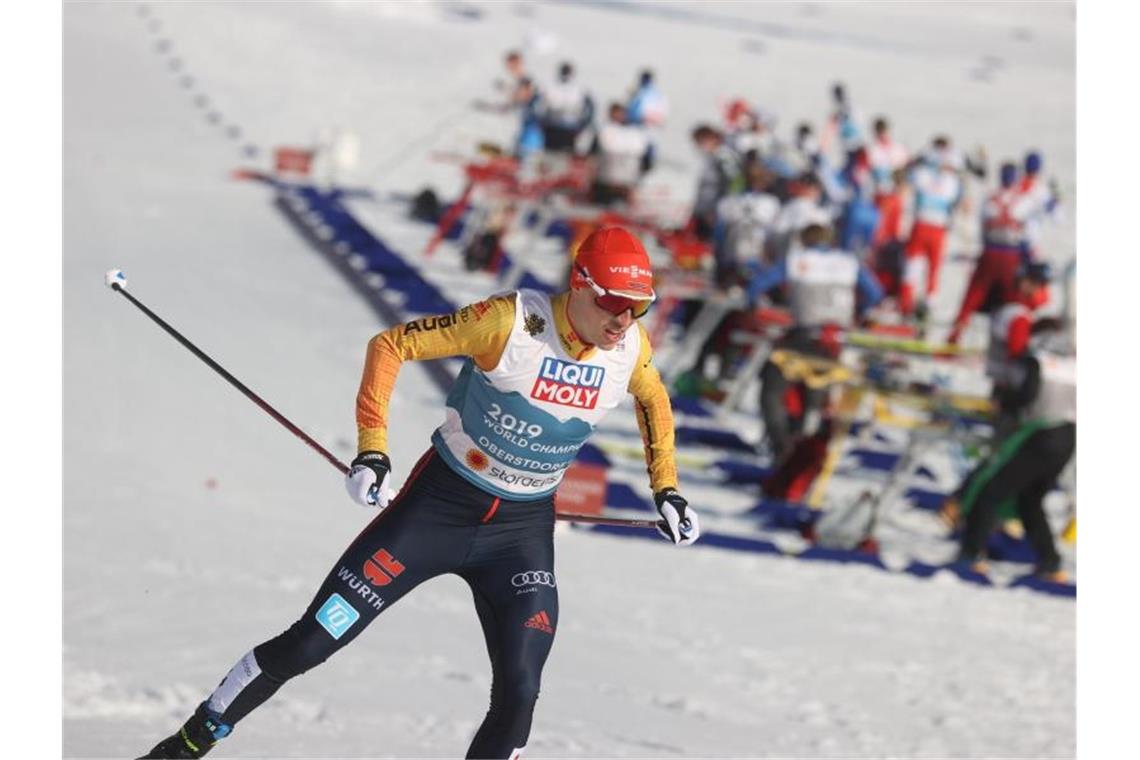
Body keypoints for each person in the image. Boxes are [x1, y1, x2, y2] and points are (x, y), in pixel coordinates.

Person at [139, 227, 701, 759]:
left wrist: (667, 490)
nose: (624, 319)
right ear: (579, 284)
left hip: (520, 536)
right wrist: (373, 450)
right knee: (313, 640)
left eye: (639, 306)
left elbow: (653, 399)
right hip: (438, 510)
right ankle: (190, 742)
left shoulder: (629, 349)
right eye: (613, 302)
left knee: (521, 691)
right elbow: (391, 345)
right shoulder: (509, 323)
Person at [949, 262, 1073, 580]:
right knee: (1031, 500)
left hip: (1039, 433)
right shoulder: (1074, 362)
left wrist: (1004, 402)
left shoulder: (1038, 358)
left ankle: (970, 553)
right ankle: (1050, 562)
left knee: (990, 491)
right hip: (1069, 438)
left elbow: (1027, 395)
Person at [746, 223, 884, 490]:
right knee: (815, 400)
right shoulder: (848, 262)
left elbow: (758, 285)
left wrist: (755, 304)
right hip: (836, 342)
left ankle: (782, 447)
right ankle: (800, 460)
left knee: (772, 390)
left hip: (804, 336)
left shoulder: (798, 260)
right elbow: (875, 293)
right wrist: (860, 312)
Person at [947, 161, 1033, 343]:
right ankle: (1015, 342)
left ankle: (954, 337)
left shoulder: (990, 199)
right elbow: (1028, 234)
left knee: (972, 297)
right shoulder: (1023, 201)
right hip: (1011, 257)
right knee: (1013, 300)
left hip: (990, 254)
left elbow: (980, 227)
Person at [900, 136, 963, 315]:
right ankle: (928, 308)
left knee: (912, 267)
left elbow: (907, 172)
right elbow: (957, 200)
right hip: (938, 228)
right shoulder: (952, 179)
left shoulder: (922, 173)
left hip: (921, 225)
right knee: (933, 271)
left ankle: (906, 305)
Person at [588, 101, 653, 206]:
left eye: (621, 113)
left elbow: (647, 161)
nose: (619, 116)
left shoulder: (637, 134)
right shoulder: (604, 131)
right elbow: (591, 155)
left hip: (625, 183)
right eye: (616, 113)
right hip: (605, 181)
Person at [689, 124, 741, 242]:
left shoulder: (724, 156)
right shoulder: (710, 157)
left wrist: (719, 209)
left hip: (716, 212)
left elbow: (735, 182)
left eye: (701, 142)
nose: (699, 146)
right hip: (703, 210)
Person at [538, 61, 595, 154]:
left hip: (571, 128)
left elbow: (590, 108)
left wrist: (584, 124)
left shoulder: (580, 90)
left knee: (568, 153)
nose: (566, 75)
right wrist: (542, 123)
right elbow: (540, 106)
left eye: (568, 72)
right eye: (564, 71)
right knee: (551, 153)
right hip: (552, 127)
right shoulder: (549, 87)